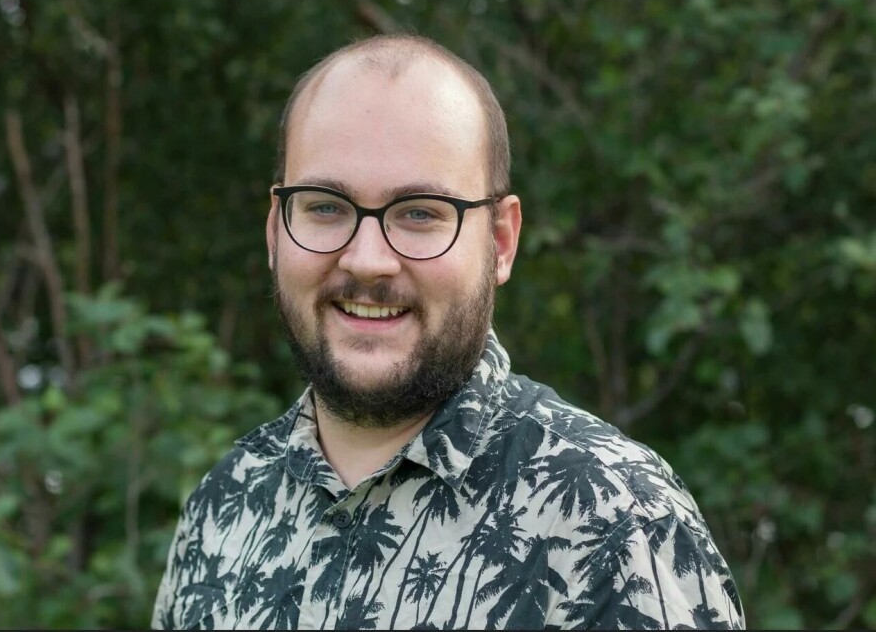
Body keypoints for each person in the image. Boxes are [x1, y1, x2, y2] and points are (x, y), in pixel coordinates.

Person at [151, 33, 745, 630]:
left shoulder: (618, 522)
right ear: (275, 231)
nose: (367, 260)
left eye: (420, 213)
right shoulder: (223, 505)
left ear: (501, 242)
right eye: (326, 206)